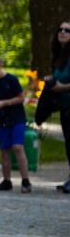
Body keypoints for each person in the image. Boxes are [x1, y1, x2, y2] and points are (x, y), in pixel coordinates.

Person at [0, 53, 31, 193]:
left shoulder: (11, 79)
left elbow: (21, 98)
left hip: (17, 118)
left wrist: (5, 103)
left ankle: (25, 180)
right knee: (4, 151)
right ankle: (6, 180)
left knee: (17, 147)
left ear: (0, 65)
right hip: (2, 120)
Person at [44, 21, 70, 193]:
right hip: (65, 106)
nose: (62, 32)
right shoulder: (59, 56)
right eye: (60, 29)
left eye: (67, 30)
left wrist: (62, 87)